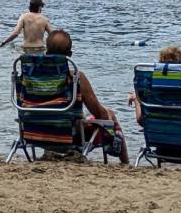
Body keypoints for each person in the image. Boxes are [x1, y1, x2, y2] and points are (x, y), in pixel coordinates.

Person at [45, 29, 128, 163]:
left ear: (46, 52)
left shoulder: (32, 77)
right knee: (109, 114)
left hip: (38, 131)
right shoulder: (77, 78)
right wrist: (107, 115)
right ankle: (125, 163)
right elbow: (99, 113)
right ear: (70, 54)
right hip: (70, 134)